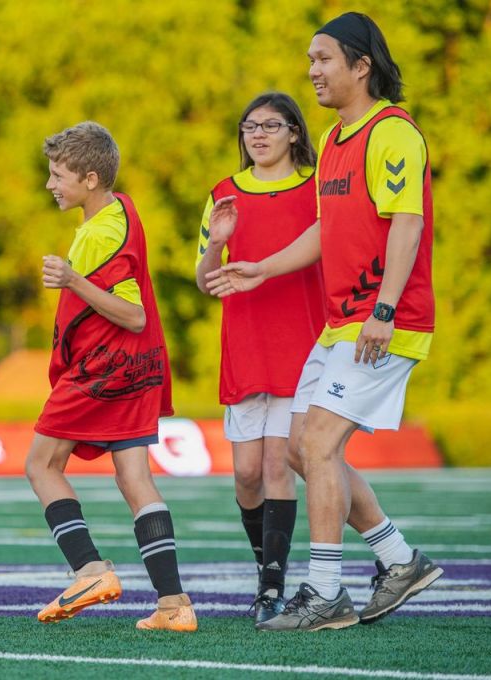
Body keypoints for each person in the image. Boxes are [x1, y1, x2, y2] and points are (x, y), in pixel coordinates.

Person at [207, 12, 443, 631]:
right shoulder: (338, 139)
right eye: (309, 60)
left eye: (323, 60)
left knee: (314, 444)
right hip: (342, 325)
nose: (311, 71)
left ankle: (326, 592)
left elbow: (408, 225)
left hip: (383, 321)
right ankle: (399, 560)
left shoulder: (392, 133)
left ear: (361, 66)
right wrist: (262, 268)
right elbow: (324, 231)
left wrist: (385, 311)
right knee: (299, 447)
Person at [25, 121, 195, 632]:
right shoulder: (122, 209)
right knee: (134, 477)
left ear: (91, 178)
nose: (51, 184)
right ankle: (173, 605)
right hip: (137, 365)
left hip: (104, 367)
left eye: (59, 175)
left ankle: (90, 569)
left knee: (41, 465)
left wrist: (73, 279)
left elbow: (133, 313)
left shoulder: (98, 233)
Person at [195, 92, 325, 625]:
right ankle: (264, 570)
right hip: (245, 346)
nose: (259, 134)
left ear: (295, 132)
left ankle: (272, 586)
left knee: (278, 464)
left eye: (272, 125)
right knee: (246, 474)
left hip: (302, 344)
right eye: (250, 126)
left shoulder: (318, 189)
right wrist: (215, 244)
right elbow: (205, 282)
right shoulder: (224, 193)